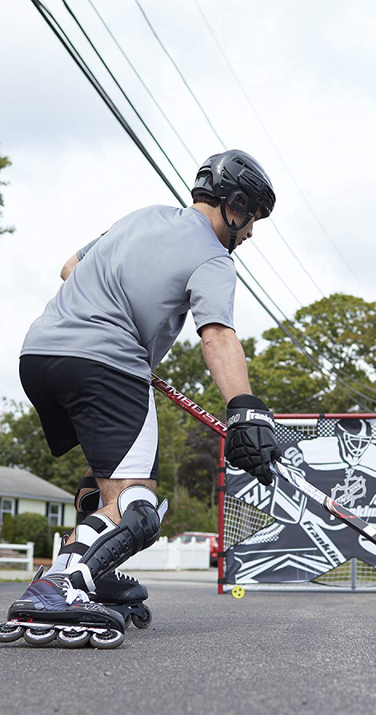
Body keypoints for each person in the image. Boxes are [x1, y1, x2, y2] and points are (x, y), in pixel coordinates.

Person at [0, 150, 283, 650]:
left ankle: (90, 572)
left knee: (102, 485)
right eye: (253, 218)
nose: (252, 233)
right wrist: (244, 408)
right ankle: (58, 588)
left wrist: (113, 313)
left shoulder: (142, 218)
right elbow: (216, 336)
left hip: (40, 354)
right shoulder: (214, 259)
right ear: (235, 204)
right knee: (136, 505)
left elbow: (70, 269)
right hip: (106, 365)